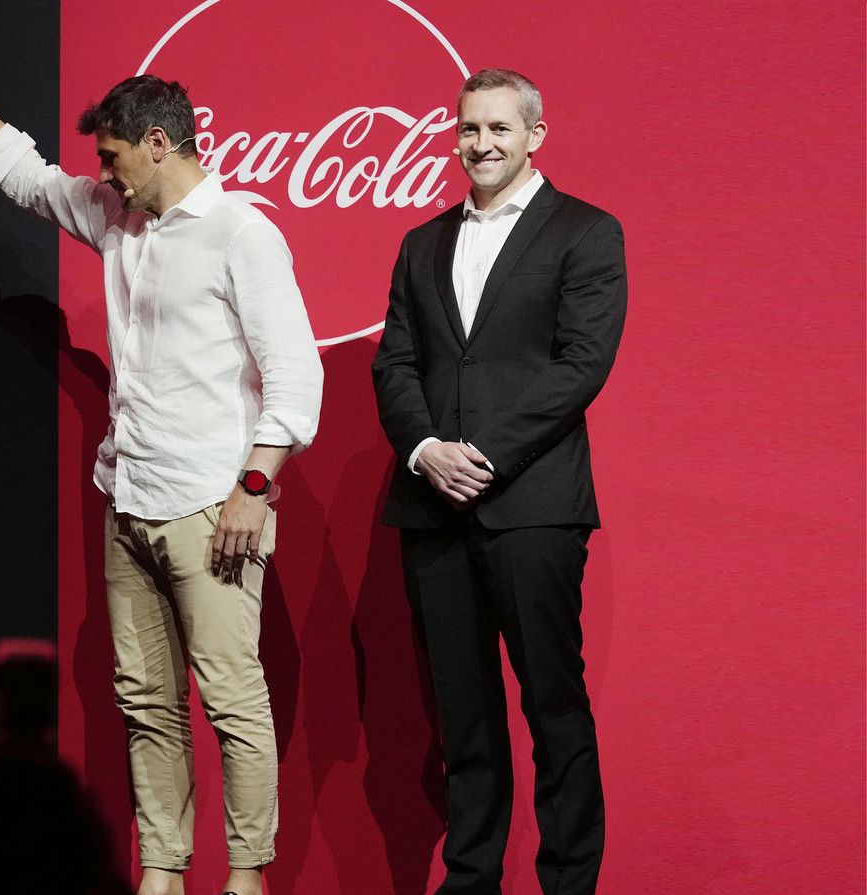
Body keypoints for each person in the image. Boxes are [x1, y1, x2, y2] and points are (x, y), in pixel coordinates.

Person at [0, 17, 323, 895]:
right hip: (128, 503)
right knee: (147, 709)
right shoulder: (121, 219)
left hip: (214, 508)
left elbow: (296, 376)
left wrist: (253, 488)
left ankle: (246, 880)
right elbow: (23, 173)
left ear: (159, 145)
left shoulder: (242, 232)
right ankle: (162, 873)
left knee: (235, 704)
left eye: (117, 156)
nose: (104, 172)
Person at [371, 69, 625, 894]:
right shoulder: (422, 243)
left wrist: (477, 451)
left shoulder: (587, 232)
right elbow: (396, 364)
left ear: (535, 136)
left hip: (534, 507)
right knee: (463, 717)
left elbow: (580, 366)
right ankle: (471, 878)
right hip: (431, 506)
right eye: (469, 129)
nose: (482, 144)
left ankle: (568, 882)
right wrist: (425, 451)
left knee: (554, 708)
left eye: (500, 130)